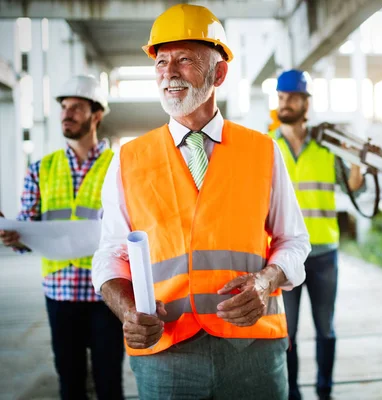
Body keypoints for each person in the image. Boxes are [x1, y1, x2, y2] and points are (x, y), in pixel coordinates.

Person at [91, 4, 311, 400]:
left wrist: (265, 282)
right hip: (166, 353)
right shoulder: (129, 159)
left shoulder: (262, 150)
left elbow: (294, 241)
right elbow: (110, 253)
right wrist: (127, 312)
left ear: (219, 73)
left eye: (185, 60)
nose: (169, 73)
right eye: (161, 62)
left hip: (253, 349)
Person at [0, 75, 125, 400]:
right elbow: (28, 226)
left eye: (76, 108)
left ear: (96, 115)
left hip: (107, 294)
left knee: (109, 382)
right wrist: (12, 234)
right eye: (64, 107)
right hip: (60, 292)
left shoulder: (120, 167)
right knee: (70, 384)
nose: (66, 114)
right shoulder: (41, 169)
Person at [269, 69, 366, 400]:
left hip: (323, 253)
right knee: (288, 332)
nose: (285, 104)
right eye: (281, 98)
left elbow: (353, 187)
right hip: (283, 257)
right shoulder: (267, 146)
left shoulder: (327, 148)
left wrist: (356, 158)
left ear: (306, 103)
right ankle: (292, 393)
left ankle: (325, 391)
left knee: (325, 329)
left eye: (292, 98)